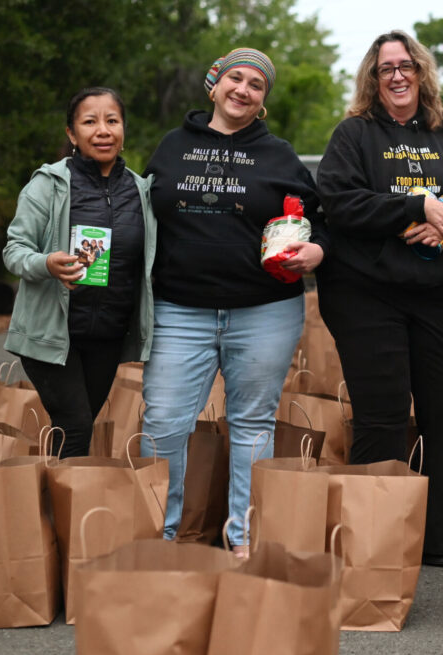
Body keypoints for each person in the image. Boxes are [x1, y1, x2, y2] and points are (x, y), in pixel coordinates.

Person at [316, 30, 443, 568]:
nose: (396, 75)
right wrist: (417, 205)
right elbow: (341, 204)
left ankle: (430, 539)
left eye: (406, 66)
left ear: (422, 73)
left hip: (433, 294)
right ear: (373, 79)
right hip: (365, 295)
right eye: (385, 68)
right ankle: (373, 544)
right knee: (383, 415)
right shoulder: (354, 135)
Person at [141, 48, 328, 553]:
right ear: (214, 85)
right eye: (235, 79)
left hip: (264, 310)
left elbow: (321, 219)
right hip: (180, 310)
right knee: (163, 423)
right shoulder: (172, 146)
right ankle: (158, 537)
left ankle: (242, 542)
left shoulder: (281, 156)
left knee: (251, 425)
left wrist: (317, 249)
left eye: (256, 85)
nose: (243, 90)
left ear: (263, 100)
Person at [3, 87, 155, 459]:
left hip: (106, 335)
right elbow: (14, 251)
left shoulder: (141, 191)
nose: (102, 130)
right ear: (72, 134)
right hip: (53, 333)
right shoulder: (48, 185)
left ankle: (43, 508)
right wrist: (47, 264)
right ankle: (62, 516)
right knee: (75, 426)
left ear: (123, 130)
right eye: (90, 122)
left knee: (76, 427)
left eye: (112, 120)